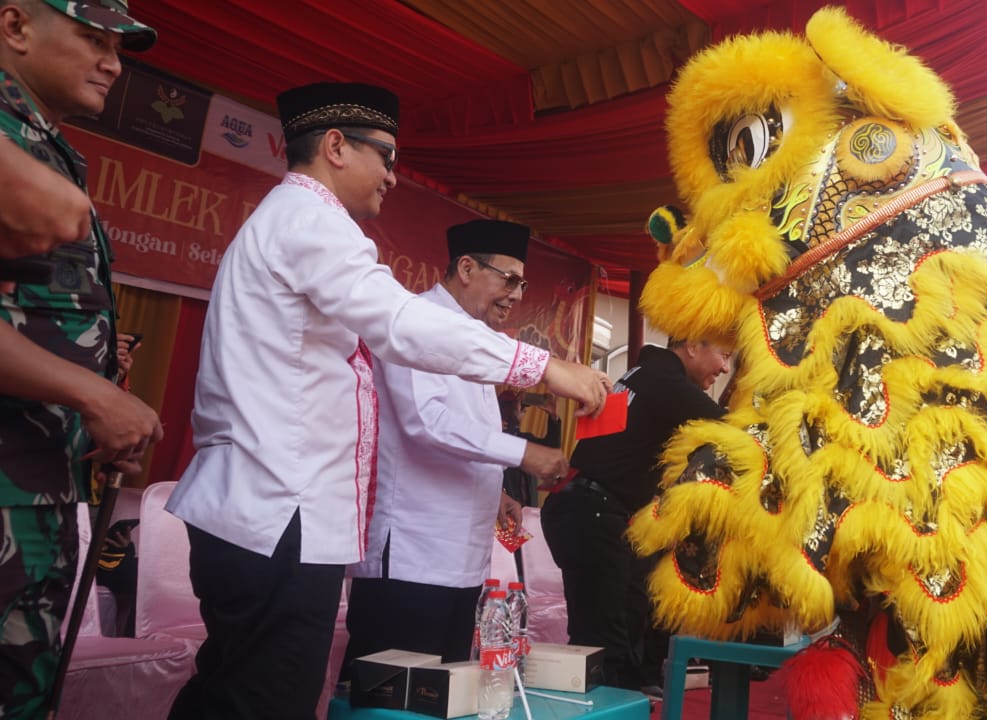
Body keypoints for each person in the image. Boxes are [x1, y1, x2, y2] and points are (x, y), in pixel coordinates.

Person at [164, 83, 608, 720]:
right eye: (388, 157)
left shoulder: (293, 220)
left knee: (238, 690)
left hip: (277, 510)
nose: (394, 177)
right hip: (275, 510)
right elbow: (402, 326)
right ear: (337, 147)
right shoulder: (309, 221)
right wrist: (545, 367)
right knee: (263, 697)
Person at [0, 2, 161, 717]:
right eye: (92, 39)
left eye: (118, 46)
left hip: (39, 481)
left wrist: (95, 404)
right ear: (14, 27)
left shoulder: (46, 144)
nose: (113, 62)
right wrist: (94, 397)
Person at [342, 219, 570, 669]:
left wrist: (497, 490)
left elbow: (466, 428)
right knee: (389, 699)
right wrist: (523, 454)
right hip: (410, 553)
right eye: (509, 279)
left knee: (439, 692)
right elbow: (427, 422)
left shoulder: (471, 333)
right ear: (466, 268)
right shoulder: (418, 322)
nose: (517, 294)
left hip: (460, 557)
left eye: (522, 283)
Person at [541, 339, 731, 691]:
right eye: (723, 355)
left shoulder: (639, 374)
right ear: (693, 346)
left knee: (624, 621)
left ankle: (627, 690)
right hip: (591, 512)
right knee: (604, 642)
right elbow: (736, 430)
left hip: (583, 506)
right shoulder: (665, 382)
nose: (724, 368)